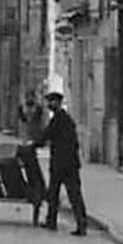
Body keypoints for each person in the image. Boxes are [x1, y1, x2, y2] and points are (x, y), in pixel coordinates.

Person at [32, 90, 87, 235]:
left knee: (61, 193)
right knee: (70, 193)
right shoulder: (64, 118)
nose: (49, 104)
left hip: (61, 163)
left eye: (52, 102)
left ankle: (57, 222)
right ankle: (77, 223)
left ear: (57, 103)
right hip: (69, 162)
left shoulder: (59, 119)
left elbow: (46, 135)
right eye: (49, 102)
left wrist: (34, 145)